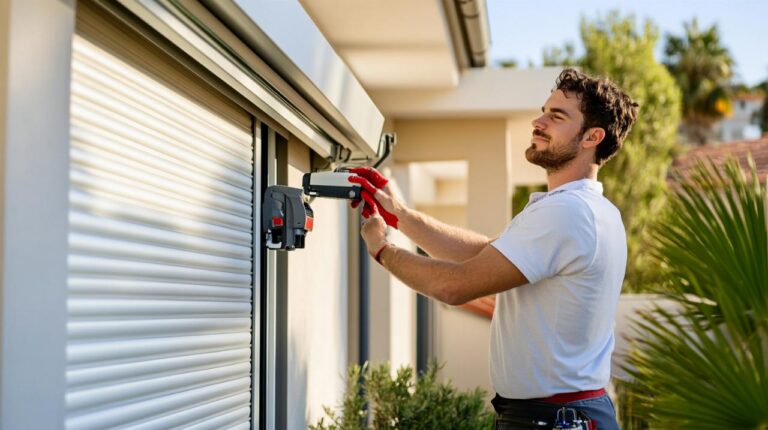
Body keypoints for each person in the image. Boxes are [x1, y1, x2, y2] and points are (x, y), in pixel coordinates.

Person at [347, 68, 638, 430]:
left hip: (554, 419)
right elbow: (486, 254)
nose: (538, 122)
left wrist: (381, 249)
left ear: (592, 137)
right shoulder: (590, 210)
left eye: (556, 116)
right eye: (544, 111)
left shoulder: (568, 212)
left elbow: (454, 286)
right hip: (558, 415)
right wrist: (401, 216)